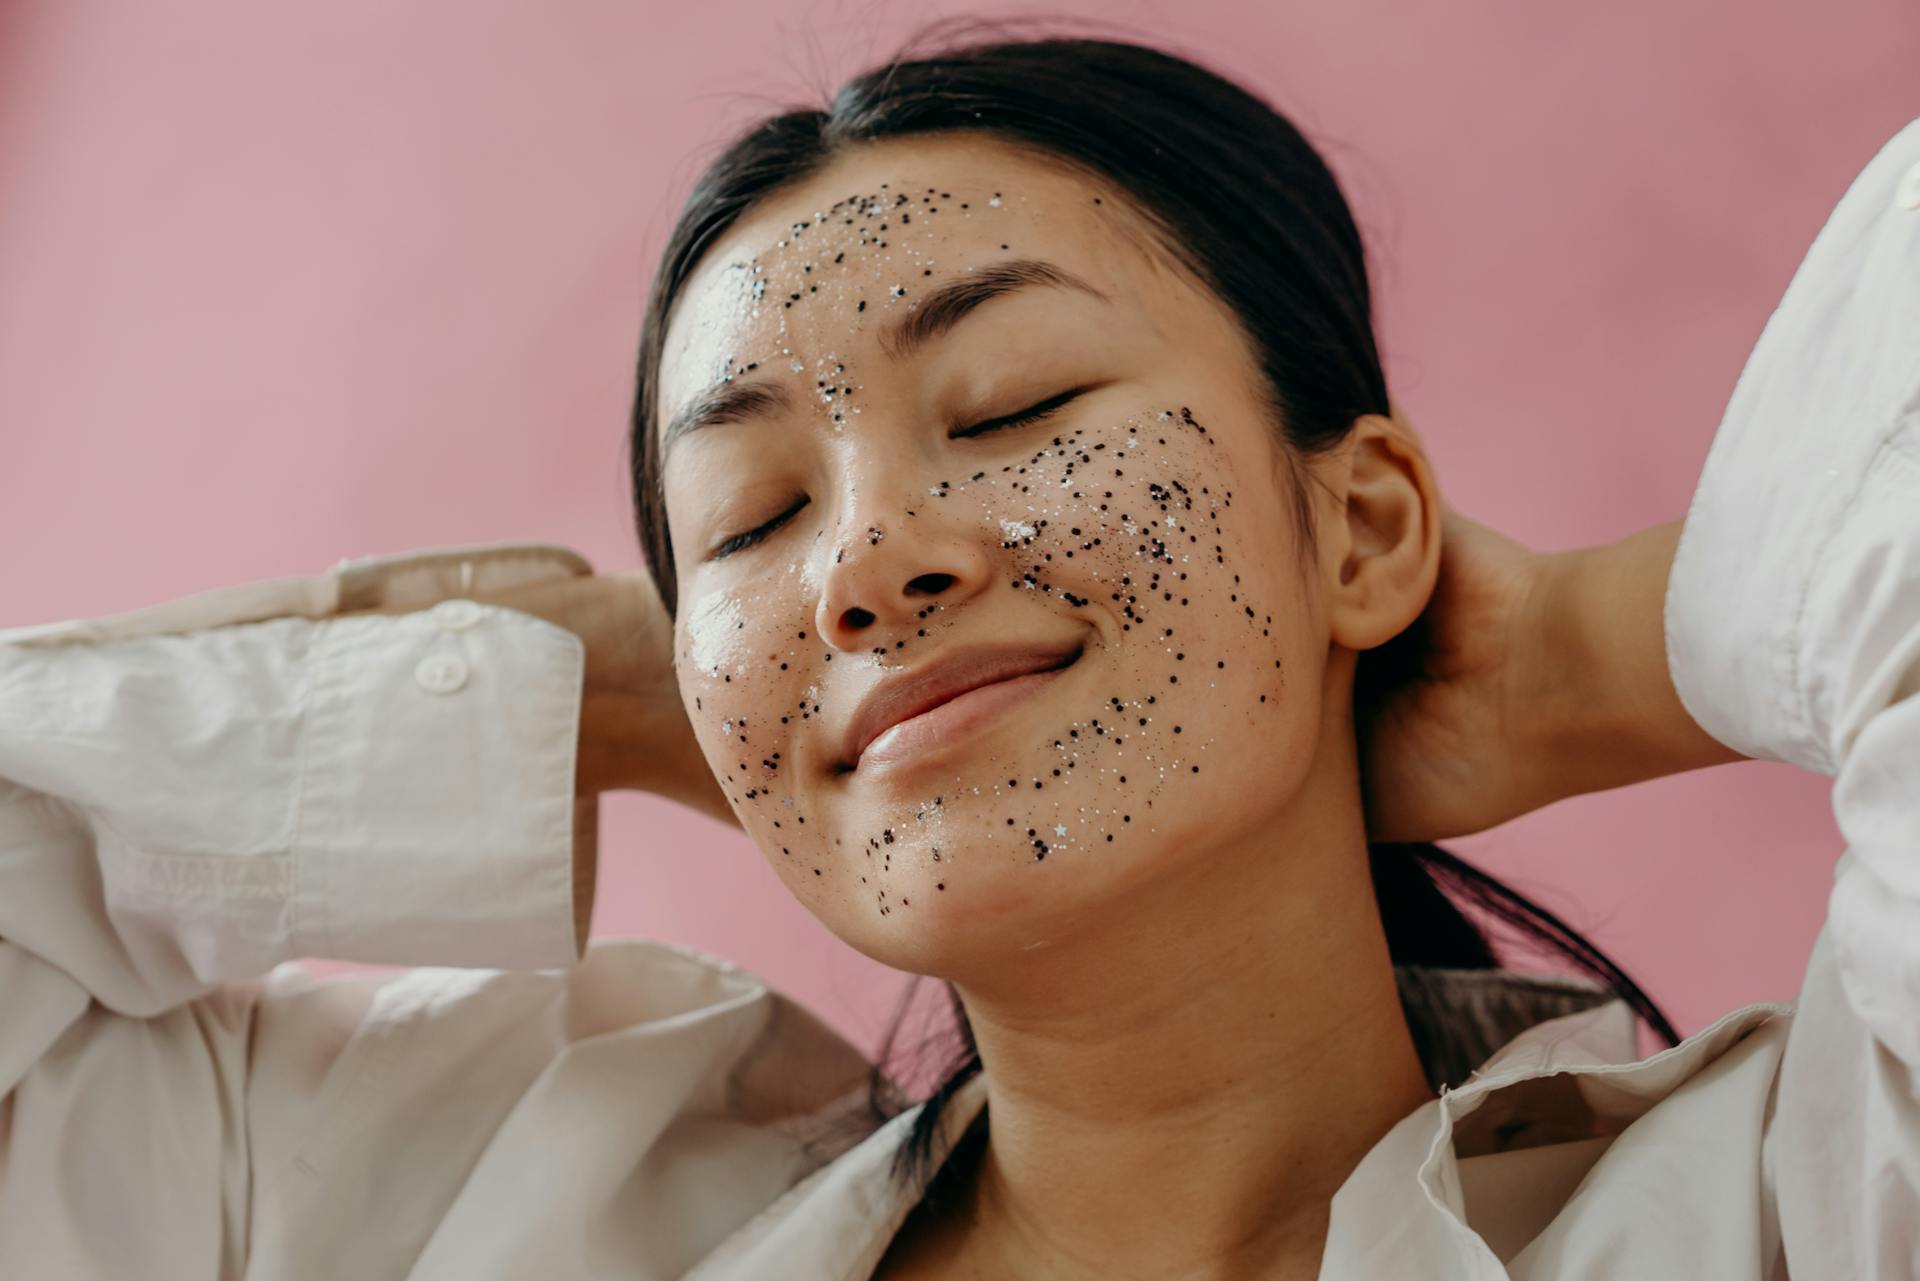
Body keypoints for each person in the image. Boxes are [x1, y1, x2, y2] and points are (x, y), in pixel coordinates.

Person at [1, 31, 1914, 1281]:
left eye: (1008, 402)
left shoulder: (1793, 1204)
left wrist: (1584, 659)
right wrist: (574, 701)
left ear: (1362, 522)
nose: (863, 566)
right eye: (747, 520)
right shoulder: (481, 1199)